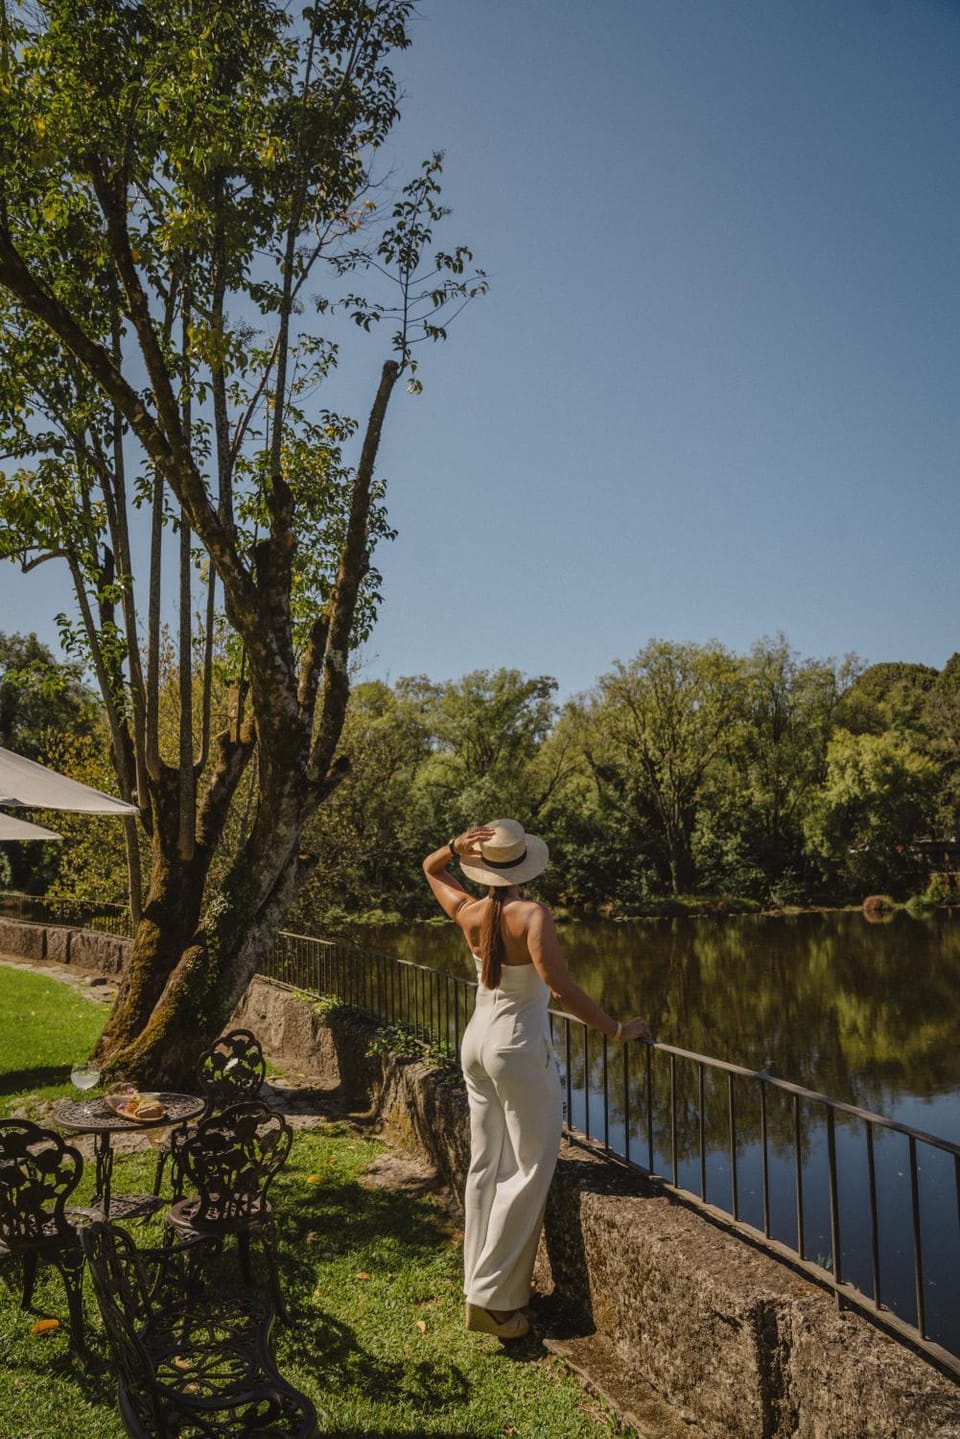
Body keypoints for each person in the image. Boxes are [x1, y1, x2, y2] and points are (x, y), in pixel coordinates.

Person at [423, 818, 652, 1341]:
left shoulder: (470, 911)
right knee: (528, 1168)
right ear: (524, 865)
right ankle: (491, 1299)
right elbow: (562, 988)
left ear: (482, 866)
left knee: (486, 1165)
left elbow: (429, 869)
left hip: (476, 1043)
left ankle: (477, 1284)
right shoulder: (532, 915)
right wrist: (617, 1028)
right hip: (518, 1051)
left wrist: (452, 847)